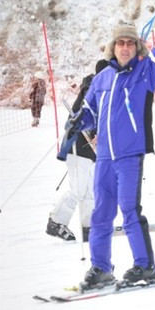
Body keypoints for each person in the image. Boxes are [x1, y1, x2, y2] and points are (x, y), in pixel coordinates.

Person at [58, 3, 155, 289]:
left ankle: (144, 266)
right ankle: (100, 268)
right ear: (113, 47)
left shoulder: (144, 72)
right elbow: (90, 113)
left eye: (129, 43)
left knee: (129, 210)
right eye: (120, 43)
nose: (124, 47)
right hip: (104, 157)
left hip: (129, 155)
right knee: (101, 213)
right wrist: (77, 121)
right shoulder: (102, 79)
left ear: (136, 48)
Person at [47, 59, 108, 242]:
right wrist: (95, 133)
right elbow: (85, 115)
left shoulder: (102, 90)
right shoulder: (92, 90)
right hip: (76, 147)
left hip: (89, 151)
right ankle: (56, 221)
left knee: (91, 191)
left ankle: (88, 226)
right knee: (79, 190)